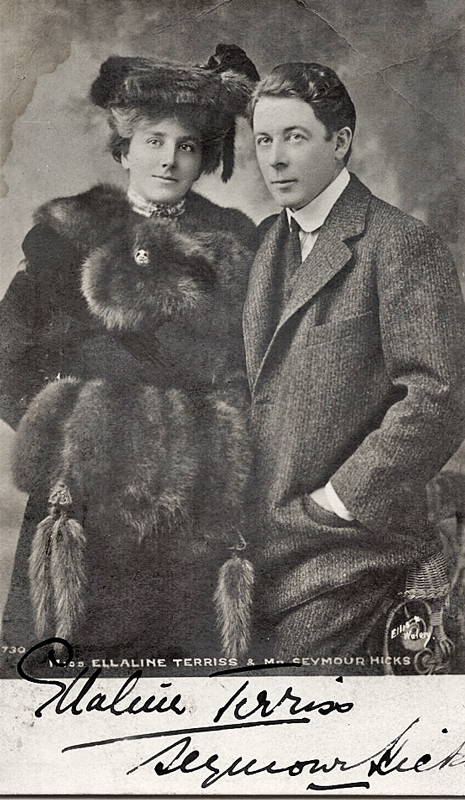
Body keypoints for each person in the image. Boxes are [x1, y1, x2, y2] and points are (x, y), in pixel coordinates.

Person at [0, 54, 258, 672]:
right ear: (124, 150)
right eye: (154, 141)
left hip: (193, 486)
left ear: (204, 157)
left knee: (179, 669)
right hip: (82, 491)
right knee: (70, 668)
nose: (169, 160)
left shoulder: (236, 241)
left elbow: (254, 361)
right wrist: (60, 424)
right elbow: (7, 354)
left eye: (187, 146)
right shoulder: (68, 233)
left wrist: (226, 422)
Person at [244, 62, 465, 674]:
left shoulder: (401, 243)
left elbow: (438, 397)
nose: (275, 159)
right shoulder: (266, 243)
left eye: (295, 137)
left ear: (340, 142)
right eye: (264, 140)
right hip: (265, 544)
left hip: (354, 549)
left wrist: (335, 502)